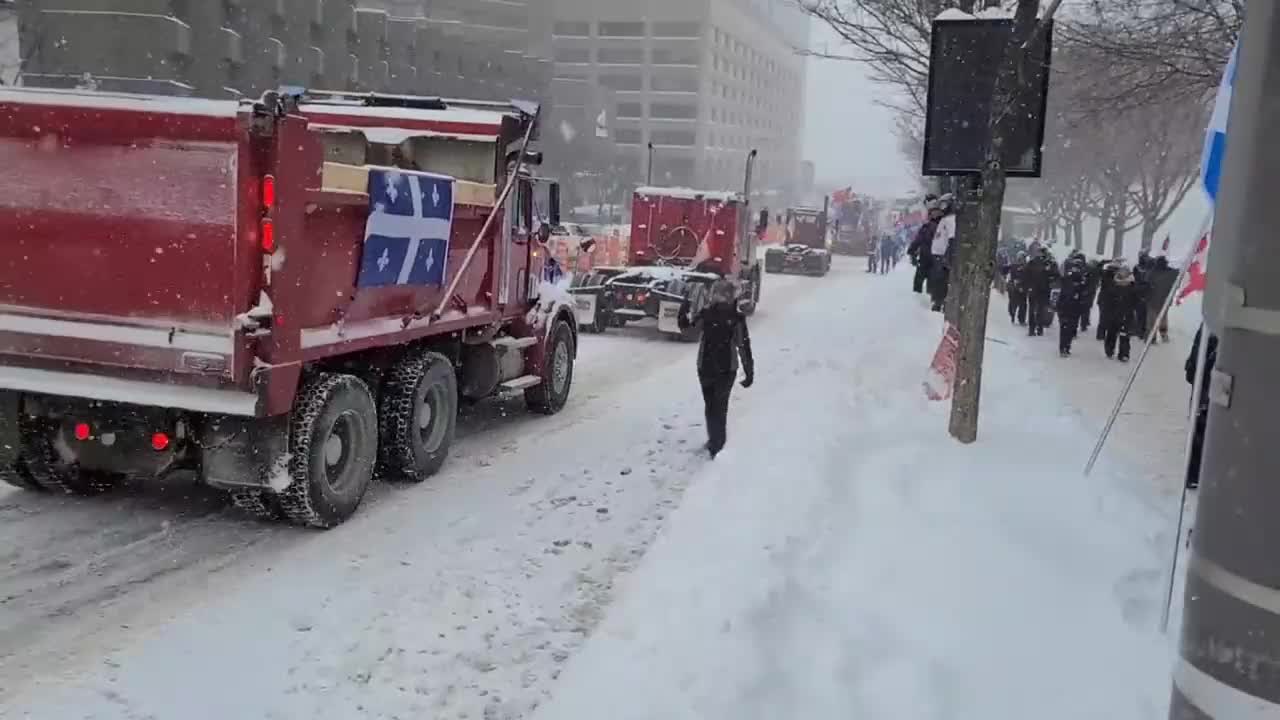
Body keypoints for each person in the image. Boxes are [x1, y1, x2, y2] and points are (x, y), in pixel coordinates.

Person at [678, 279, 754, 459]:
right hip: (727, 369)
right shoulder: (736, 318)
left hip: (705, 366)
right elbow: (743, 345)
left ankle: (715, 441)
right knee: (720, 406)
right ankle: (717, 444)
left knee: (710, 406)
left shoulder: (706, 314)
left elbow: (688, 331)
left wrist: (683, 312)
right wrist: (749, 370)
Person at [1184, 326, 1219, 490]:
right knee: (1201, 425)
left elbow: (1197, 351)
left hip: (1208, 380)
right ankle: (1195, 473)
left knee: (1201, 425)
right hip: (1207, 380)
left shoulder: (1211, 325)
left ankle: (1195, 472)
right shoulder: (1211, 326)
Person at [1099, 263, 1141, 361]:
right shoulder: (1113, 286)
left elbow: (1137, 301)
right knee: (1111, 334)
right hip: (1113, 315)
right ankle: (1109, 350)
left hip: (1126, 315)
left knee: (1124, 336)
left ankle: (1124, 354)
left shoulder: (1132, 287)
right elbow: (1107, 301)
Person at [927, 194, 957, 312]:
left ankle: (941, 303)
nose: (942, 207)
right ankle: (938, 301)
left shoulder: (951, 219)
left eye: (944, 204)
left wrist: (947, 257)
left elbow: (952, 239)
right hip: (938, 256)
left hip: (943, 256)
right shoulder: (945, 219)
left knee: (942, 281)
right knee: (938, 280)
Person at [1057, 252, 1089, 357]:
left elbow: (1084, 295)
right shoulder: (1067, 279)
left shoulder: (1082, 281)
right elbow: (1062, 293)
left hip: (1075, 308)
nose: (1076, 270)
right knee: (1064, 329)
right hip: (1066, 307)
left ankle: (1067, 347)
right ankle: (1063, 348)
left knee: (1070, 329)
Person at [908, 199, 942, 294]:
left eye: (936, 212)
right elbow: (918, 240)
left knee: (929, 282)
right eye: (932, 212)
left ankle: (927, 301)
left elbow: (918, 240)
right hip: (927, 258)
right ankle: (920, 300)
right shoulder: (927, 227)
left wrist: (912, 251)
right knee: (921, 281)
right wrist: (912, 251)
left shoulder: (940, 225)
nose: (934, 214)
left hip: (934, 259)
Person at [1023, 245, 1058, 337]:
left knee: (1038, 310)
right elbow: (1026, 275)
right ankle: (1036, 328)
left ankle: (1036, 328)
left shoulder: (1045, 263)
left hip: (1040, 290)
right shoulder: (1037, 263)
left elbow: (1055, 276)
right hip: (1040, 290)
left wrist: (1028, 287)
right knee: (1038, 310)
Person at [1146, 255, 1178, 344]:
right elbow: (1179, 274)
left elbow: (1146, 283)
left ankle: (1152, 338)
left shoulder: (1152, 273)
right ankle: (1164, 335)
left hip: (1152, 300)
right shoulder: (1171, 273)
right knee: (1163, 318)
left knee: (1152, 320)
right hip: (1165, 300)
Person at [1081, 258, 1102, 334]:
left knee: (1085, 308)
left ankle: (1084, 323)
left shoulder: (1087, 270)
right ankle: (1084, 323)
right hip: (1089, 291)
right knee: (1086, 308)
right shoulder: (1095, 271)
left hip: (1087, 291)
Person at [1006, 251, 1029, 325]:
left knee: (1021, 304)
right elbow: (1011, 276)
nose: (1023, 260)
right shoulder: (1015, 266)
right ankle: (1014, 315)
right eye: (1022, 258)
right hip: (1016, 288)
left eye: (1023, 258)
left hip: (1021, 288)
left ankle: (1019, 318)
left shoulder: (1026, 267)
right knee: (1016, 303)